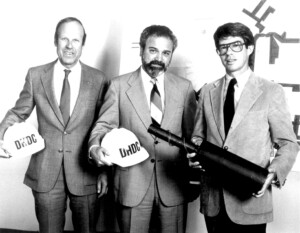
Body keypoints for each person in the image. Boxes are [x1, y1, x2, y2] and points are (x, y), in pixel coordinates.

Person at [188, 22, 299, 233]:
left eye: (236, 45)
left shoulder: (270, 91)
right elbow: (197, 137)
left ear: (249, 48)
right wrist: (195, 155)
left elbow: (288, 143)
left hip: (251, 201)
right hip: (213, 200)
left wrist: (273, 174)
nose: (229, 52)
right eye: (223, 47)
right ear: (218, 52)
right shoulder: (207, 91)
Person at [0, 17, 108, 233]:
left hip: (86, 173)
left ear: (83, 44)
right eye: (64, 39)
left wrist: (105, 171)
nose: (69, 46)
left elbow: (104, 125)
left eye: (75, 40)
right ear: (55, 41)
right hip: (45, 172)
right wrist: (1, 136)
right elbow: (18, 112)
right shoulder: (36, 75)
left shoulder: (99, 79)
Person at [88, 25, 197, 233]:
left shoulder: (185, 88)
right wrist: (95, 148)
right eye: (153, 50)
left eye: (166, 53)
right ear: (141, 50)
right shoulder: (118, 86)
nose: (159, 58)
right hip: (131, 184)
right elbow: (102, 126)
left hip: (173, 185)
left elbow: (194, 136)